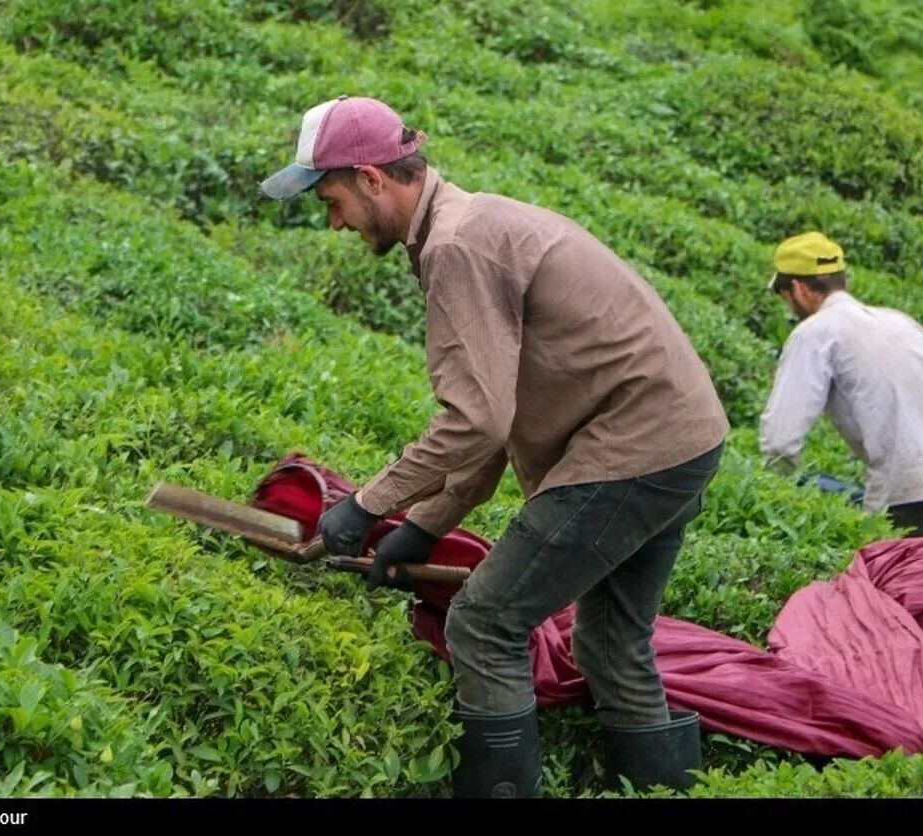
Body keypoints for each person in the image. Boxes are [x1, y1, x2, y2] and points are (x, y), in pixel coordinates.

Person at [258, 95, 730, 798]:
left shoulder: (456, 247)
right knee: (611, 642)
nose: (334, 223)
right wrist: (423, 527)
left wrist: (366, 506)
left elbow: (474, 422)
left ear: (371, 178)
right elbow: (494, 419)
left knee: (484, 624)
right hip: (683, 440)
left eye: (332, 202)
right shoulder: (472, 223)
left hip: (630, 449)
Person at [759, 231, 923, 537]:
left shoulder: (814, 334)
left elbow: (780, 440)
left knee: (886, 565)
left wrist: (773, 498)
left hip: (911, 502)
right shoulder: (900, 321)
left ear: (798, 289)